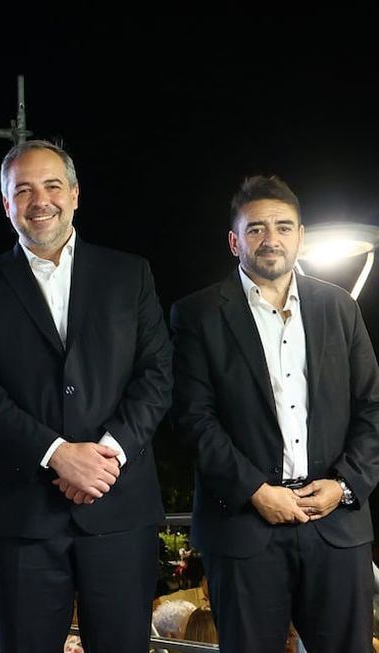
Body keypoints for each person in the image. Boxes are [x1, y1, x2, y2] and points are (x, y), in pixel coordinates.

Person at [0, 139, 172, 653]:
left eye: (51, 186)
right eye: (23, 190)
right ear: (6, 203)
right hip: (21, 514)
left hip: (120, 508)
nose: (39, 200)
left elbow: (157, 375)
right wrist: (56, 454)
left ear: (74, 194)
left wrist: (106, 456)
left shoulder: (130, 274)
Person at [170, 175, 379, 652]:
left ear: (300, 236)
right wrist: (255, 491)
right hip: (243, 527)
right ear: (234, 241)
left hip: (335, 524)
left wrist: (344, 485)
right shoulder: (197, 314)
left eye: (283, 227)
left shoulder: (340, 307)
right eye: (256, 228)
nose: (271, 239)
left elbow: (373, 407)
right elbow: (192, 419)